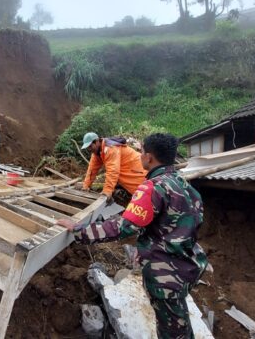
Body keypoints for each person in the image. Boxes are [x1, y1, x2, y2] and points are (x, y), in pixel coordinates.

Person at [58, 133, 208, 339]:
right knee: (178, 322)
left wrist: (79, 230)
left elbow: (122, 227)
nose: (139, 156)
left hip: (165, 276)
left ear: (149, 157)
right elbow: (181, 228)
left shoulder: (152, 187)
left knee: (172, 332)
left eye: (141, 152)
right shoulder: (187, 187)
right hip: (188, 266)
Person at [80, 132, 147, 205]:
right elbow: (92, 170)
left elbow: (113, 171)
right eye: (87, 148)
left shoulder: (110, 148)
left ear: (96, 142)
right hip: (129, 172)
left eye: (90, 146)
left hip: (138, 171)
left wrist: (107, 191)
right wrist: (86, 186)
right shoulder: (97, 152)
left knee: (143, 196)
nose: (89, 149)